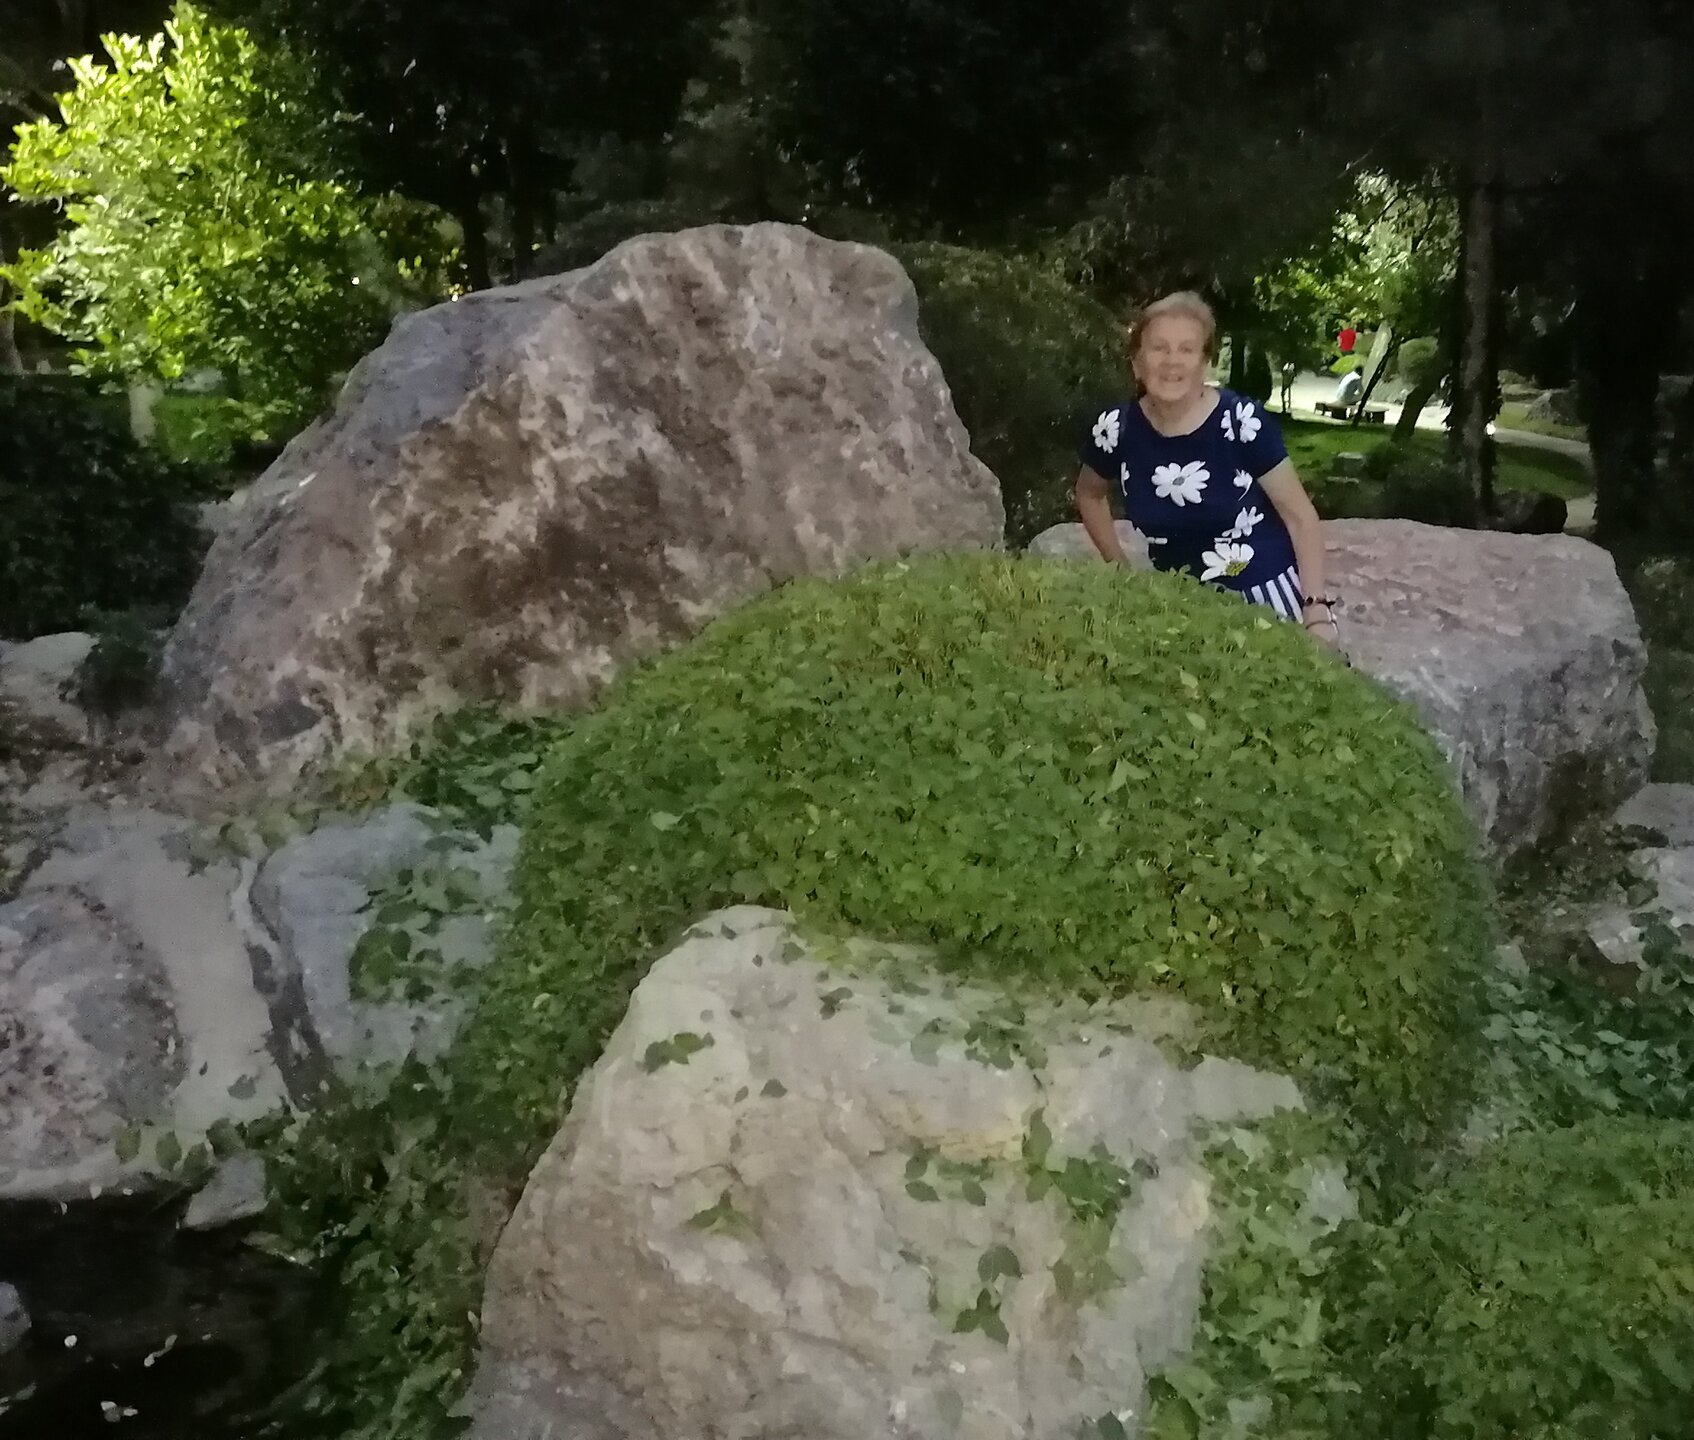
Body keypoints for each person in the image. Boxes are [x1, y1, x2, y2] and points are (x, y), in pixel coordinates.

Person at [1074, 292, 1338, 644]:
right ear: (1136, 363)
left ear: (1205, 364)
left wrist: (1316, 610)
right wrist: (1120, 569)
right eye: (1159, 348)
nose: (1172, 362)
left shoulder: (1241, 422)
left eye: (1187, 349)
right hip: (1175, 601)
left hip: (1262, 596)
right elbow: (1089, 494)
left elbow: (1299, 517)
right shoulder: (1116, 429)